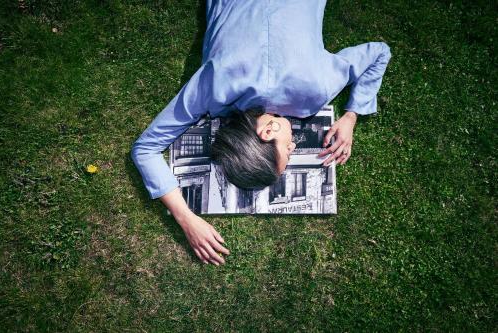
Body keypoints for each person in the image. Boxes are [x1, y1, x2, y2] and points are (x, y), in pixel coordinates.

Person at [131, 0, 392, 266]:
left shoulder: (317, 90)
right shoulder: (213, 86)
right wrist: (186, 217)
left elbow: (380, 53)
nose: (293, 148)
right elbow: (143, 150)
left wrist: (350, 116)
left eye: (286, 152)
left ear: (268, 131)